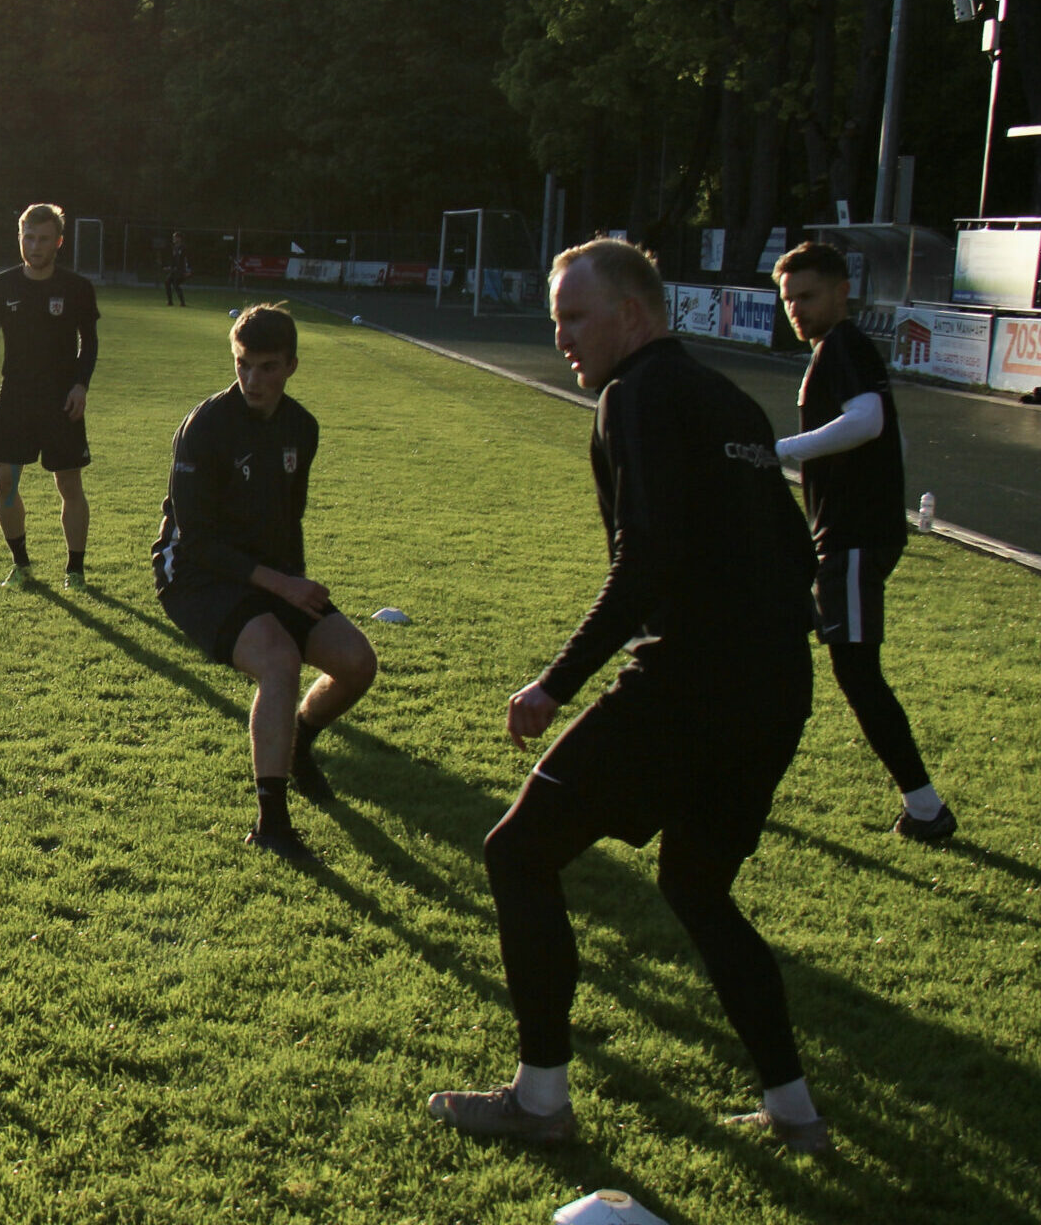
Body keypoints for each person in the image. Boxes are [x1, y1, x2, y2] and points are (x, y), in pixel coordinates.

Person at [428, 239, 830, 1155]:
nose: (562, 337)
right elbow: (793, 553)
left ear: (635, 317)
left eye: (575, 316)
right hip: (775, 691)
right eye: (556, 318)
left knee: (517, 853)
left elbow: (641, 564)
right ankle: (796, 1115)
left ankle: (540, 1101)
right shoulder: (729, 399)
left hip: (690, 687)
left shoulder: (635, 395)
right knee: (697, 888)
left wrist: (553, 684)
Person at [152, 304, 378, 857]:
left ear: (292, 366)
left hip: (269, 574)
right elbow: (198, 541)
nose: (253, 379)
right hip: (195, 575)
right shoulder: (204, 426)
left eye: (267, 367)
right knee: (278, 661)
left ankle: (299, 742)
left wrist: (290, 583)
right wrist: (281, 588)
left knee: (356, 663)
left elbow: (287, 517)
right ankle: (272, 824)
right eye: (243, 365)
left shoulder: (302, 426)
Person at [772, 242, 954, 842]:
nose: (797, 307)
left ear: (842, 291)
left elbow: (868, 422)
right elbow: (887, 438)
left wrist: (781, 453)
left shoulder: (844, 345)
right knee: (769, 640)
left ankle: (926, 808)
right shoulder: (836, 350)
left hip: (852, 541)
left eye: (808, 295)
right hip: (839, 538)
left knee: (856, 673)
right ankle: (723, 770)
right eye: (788, 298)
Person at [0, 203, 101, 589]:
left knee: (69, 486)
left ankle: (75, 570)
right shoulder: (0, 286)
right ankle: (22, 564)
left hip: (62, 401)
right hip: (16, 400)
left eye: (43, 238)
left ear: (58, 242)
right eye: (29, 237)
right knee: (4, 483)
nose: (35, 245)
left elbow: (89, 342)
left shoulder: (76, 288)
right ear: (20, 238)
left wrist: (81, 385)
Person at [164, 231, 192, 307]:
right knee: (167, 282)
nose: (173, 239)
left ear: (179, 238)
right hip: (175, 270)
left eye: (175, 237)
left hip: (181, 270)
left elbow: (187, 259)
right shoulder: (175, 247)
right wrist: (170, 267)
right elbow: (174, 260)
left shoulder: (184, 248)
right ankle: (170, 302)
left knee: (176, 284)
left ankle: (182, 303)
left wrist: (188, 270)